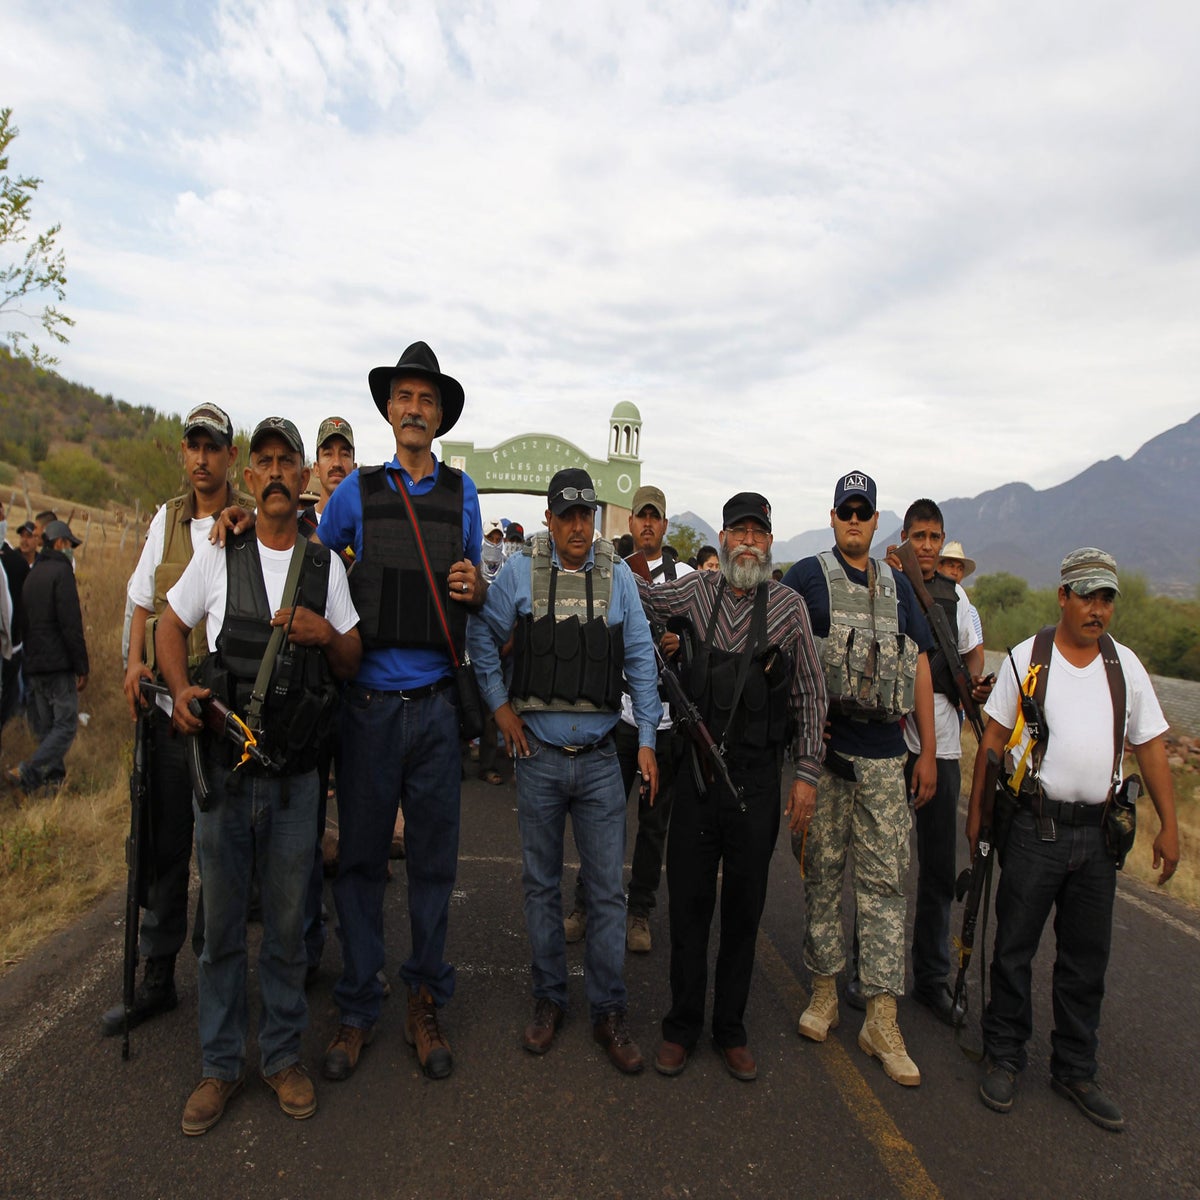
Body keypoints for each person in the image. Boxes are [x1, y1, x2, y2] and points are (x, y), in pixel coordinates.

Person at [157, 416, 361, 1135]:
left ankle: (278, 1057)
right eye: (264, 462)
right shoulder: (218, 550)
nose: (276, 473)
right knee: (218, 932)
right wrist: (179, 689)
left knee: (282, 929)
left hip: (297, 784)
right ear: (250, 478)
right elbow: (169, 627)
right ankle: (218, 1067)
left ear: (306, 480)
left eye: (288, 462)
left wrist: (326, 634)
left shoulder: (325, 566)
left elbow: (351, 660)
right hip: (224, 774)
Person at [316, 340, 483, 1084]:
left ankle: (423, 999)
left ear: (440, 415)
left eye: (427, 400)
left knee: (433, 866)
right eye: (403, 398)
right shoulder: (356, 492)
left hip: (438, 710)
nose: (414, 409)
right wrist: (236, 532)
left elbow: (475, 584)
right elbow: (308, 564)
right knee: (357, 864)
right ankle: (357, 1007)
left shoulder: (464, 493)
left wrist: (473, 586)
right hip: (371, 709)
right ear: (389, 409)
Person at [970, 548, 1179, 1132]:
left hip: (1097, 839)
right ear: (1062, 596)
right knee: (1014, 948)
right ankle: (1005, 1055)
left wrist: (1170, 823)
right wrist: (977, 819)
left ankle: (1075, 1068)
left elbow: (1151, 744)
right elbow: (991, 739)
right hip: (1035, 831)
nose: (1097, 609)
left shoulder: (1124, 666)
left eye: (1107, 598)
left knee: (1086, 960)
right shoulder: (1026, 658)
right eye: (1087, 596)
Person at [467, 469, 661, 1073]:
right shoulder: (522, 570)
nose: (578, 526)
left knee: (607, 892)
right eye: (566, 516)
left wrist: (648, 738)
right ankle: (549, 999)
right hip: (539, 761)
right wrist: (501, 711)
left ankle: (608, 1009)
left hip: (603, 760)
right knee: (541, 887)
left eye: (586, 515)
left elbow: (638, 658)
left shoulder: (618, 576)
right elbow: (483, 636)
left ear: (596, 520)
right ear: (549, 520)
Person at [635, 492, 826, 1082]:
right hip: (695, 779)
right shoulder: (696, 591)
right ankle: (681, 1026)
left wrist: (807, 776)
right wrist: (596, 556)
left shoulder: (791, 608)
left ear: (770, 542)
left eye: (758, 533)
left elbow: (812, 696)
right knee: (689, 904)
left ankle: (731, 1030)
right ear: (721, 538)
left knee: (745, 911)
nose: (748, 541)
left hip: (756, 783)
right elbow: (643, 595)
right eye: (738, 531)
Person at [99, 403, 251, 1037]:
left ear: (229, 456)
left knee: (220, 848)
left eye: (212, 447)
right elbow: (142, 601)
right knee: (162, 849)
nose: (200, 458)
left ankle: (213, 966)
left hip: (220, 713)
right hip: (164, 708)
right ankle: (156, 977)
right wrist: (135, 664)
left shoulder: (246, 518)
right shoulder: (165, 520)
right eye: (192, 446)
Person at [781, 471, 935, 1087]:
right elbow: (780, 650)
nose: (853, 520)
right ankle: (823, 992)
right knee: (821, 874)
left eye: (863, 512)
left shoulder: (899, 587)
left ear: (875, 522)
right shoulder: (807, 578)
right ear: (833, 517)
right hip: (826, 756)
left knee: (885, 887)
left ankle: (881, 1016)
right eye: (845, 511)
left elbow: (918, 664)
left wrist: (923, 750)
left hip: (885, 760)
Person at [563, 484, 692, 955]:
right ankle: (586, 905)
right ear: (632, 522)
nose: (648, 524)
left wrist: (682, 646)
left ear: (664, 523)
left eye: (656, 517)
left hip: (663, 719)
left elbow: (699, 643)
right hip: (618, 715)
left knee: (653, 827)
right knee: (603, 819)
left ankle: (638, 913)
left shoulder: (688, 577)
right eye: (641, 516)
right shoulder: (612, 572)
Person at [889, 500, 988, 1025]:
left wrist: (966, 686)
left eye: (935, 537)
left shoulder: (957, 598)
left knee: (936, 871)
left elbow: (973, 652)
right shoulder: (888, 582)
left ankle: (930, 979)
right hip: (891, 743)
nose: (926, 546)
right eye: (919, 536)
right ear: (904, 536)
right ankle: (872, 971)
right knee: (882, 864)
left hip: (944, 748)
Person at [299, 416, 357, 981]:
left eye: (345, 453)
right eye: (328, 453)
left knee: (360, 830)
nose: (337, 463)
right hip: (310, 703)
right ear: (315, 467)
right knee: (308, 827)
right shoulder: (292, 532)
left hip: (361, 697)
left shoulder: (369, 530)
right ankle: (310, 948)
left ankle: (360, 959)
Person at [7, 520, 89, 794]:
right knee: (65, 726)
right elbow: (71, 623)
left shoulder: (33, 574)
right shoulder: (61, 573)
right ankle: (28, 771)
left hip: (34, 665)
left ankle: (50, 784)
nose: (71, 551)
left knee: (45, 728)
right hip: (58, 664)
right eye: (70, 545)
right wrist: (81, 665)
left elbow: (22, 623)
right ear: (60, 543)